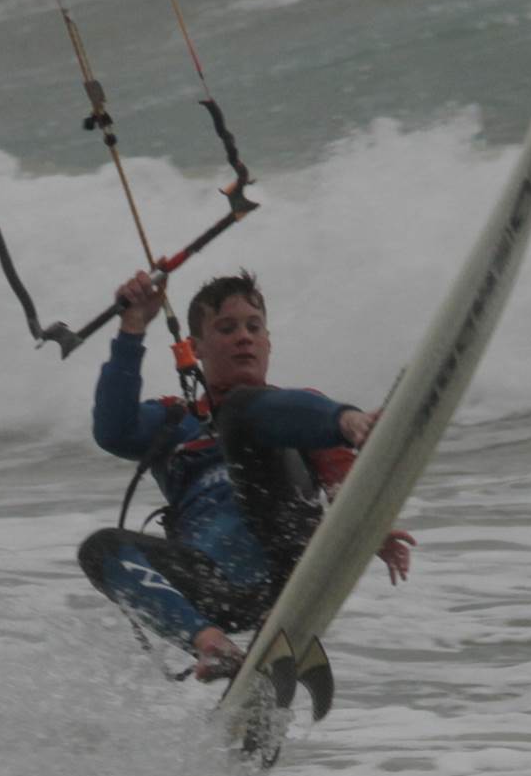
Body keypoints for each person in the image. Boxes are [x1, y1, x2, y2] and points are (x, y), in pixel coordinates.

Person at [77, 268, 411, 683]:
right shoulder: (175, 422)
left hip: (285, 564)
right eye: (227, 328)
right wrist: (132, 328)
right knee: (99, 549)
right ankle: (212, 645)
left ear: (268, 342)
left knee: (239, 410)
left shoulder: (301, 413)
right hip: (215, 586)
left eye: (254, 328)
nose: (243, 338)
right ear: (194, 347)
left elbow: (342, 484)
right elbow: (112, 431)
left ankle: (350, 424)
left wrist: (370, 516)